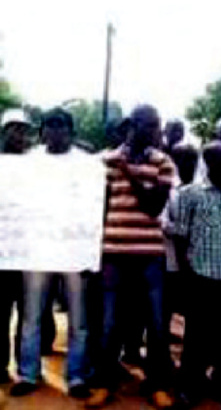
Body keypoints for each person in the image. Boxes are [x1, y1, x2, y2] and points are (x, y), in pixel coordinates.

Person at [86, 105, 175, 409]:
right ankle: (103, 383)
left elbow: (153, 207)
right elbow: (98, 208)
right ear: (132, 126)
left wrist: (128, 172)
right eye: (150, 125)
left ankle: (158, 385)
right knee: (110, 323)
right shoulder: (104, 160)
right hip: (113, 253)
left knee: (157, 323)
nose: (155, 131)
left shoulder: (163, 162)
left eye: (157, 125)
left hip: (150, 255)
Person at [10, 108, 92, 398]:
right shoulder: (28, 163)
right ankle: (29, 375)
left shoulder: (87, 165)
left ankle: (77, 376)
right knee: (32, 315)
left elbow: (94, 208)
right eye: (50, 125)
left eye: (61, 125)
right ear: (42, 131)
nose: (55, 131)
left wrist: (89, 251)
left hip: (74, 250)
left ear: (71, 131)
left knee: (78, 320)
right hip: (38, 250)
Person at [173, 142, 221, 409]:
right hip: (201, 275)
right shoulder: (191, 194)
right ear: (211, 162)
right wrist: (185, 272)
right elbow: (180, 236)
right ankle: (189, 387)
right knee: (196, 337)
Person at [0, 108, 31, 385]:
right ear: (4, 131)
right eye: (14, 129)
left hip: (30, 251)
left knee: (28, 313)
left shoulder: (37, 166)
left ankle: (26, 368)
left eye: (23, 130)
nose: (19, 134)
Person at [162, 144, 199, 340]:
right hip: (171, 263)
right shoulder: (168, 187)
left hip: (198, 263)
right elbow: (164, 223)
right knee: (164, 310)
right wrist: (186, 230)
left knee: (195, 312)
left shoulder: (201, 188)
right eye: (183, 159)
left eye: (193, 158)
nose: (189, 163)